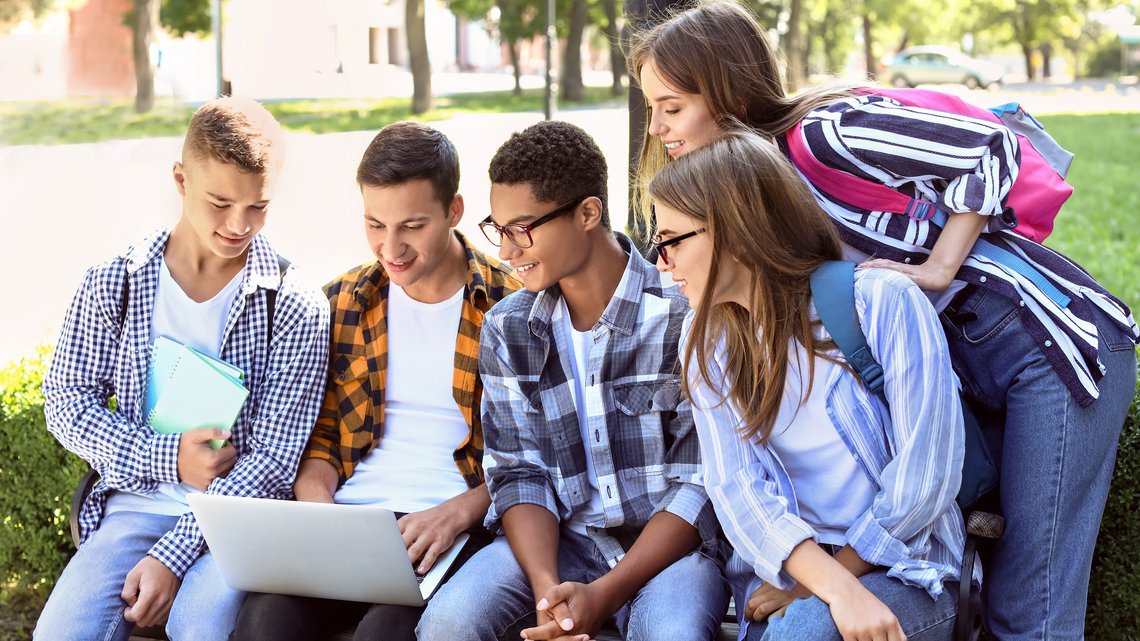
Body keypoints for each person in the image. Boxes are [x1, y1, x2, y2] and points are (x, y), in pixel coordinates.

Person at [630, 3, 1140, 639]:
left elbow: (990, 147)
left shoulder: (820, 136)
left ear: (727, 92)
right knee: (987, 578)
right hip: (963, 350)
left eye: (672, 107)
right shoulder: (751, 192)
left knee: (1029, 608)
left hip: (1039, 341)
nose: (656, 128)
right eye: (651, 108)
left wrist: (939, 267)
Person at [650, 129, 968, 641]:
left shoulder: (880, 302)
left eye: (671, 241)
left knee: (805, 631)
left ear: (736, 231)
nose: (660, 261)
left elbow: (925, 477)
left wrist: (832, 585)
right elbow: (737, 489)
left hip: (906, 568)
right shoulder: (705, 337)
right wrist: (820, 584)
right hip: (792, 572)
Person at [417, 120, 728, 641]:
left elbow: (698, 484)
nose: (506, 252)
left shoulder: (682, 314)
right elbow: (518, 473)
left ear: (587, 213)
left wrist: (604, 594)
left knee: (673, 633)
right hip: (557, 545)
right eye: (498, 230)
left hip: (668, 555)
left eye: (523, 229)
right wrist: (548, 595)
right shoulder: (509, 327)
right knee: (449, 624)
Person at [35, 97, 330, 641]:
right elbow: (67, 403)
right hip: (133, 508)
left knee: (201, 625)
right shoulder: (115, 283)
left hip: (238, 520)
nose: (239, 224)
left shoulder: (293, 303)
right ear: (180, 179)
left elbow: (273, 460)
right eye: (220, 202)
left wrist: (171, 556)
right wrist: (168, 456)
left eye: (258, 207)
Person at [230, 121, 522, 641]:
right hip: (352, 521)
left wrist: (457, 514)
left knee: (385, 632)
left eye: (412, 226)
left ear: (454, 210)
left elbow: (534, 456)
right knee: (263, 620)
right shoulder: (342, 301)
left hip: (450, 525)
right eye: (374, 224)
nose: (391, 248)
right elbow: (320, 438)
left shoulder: (510, 305)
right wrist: (321, 515)